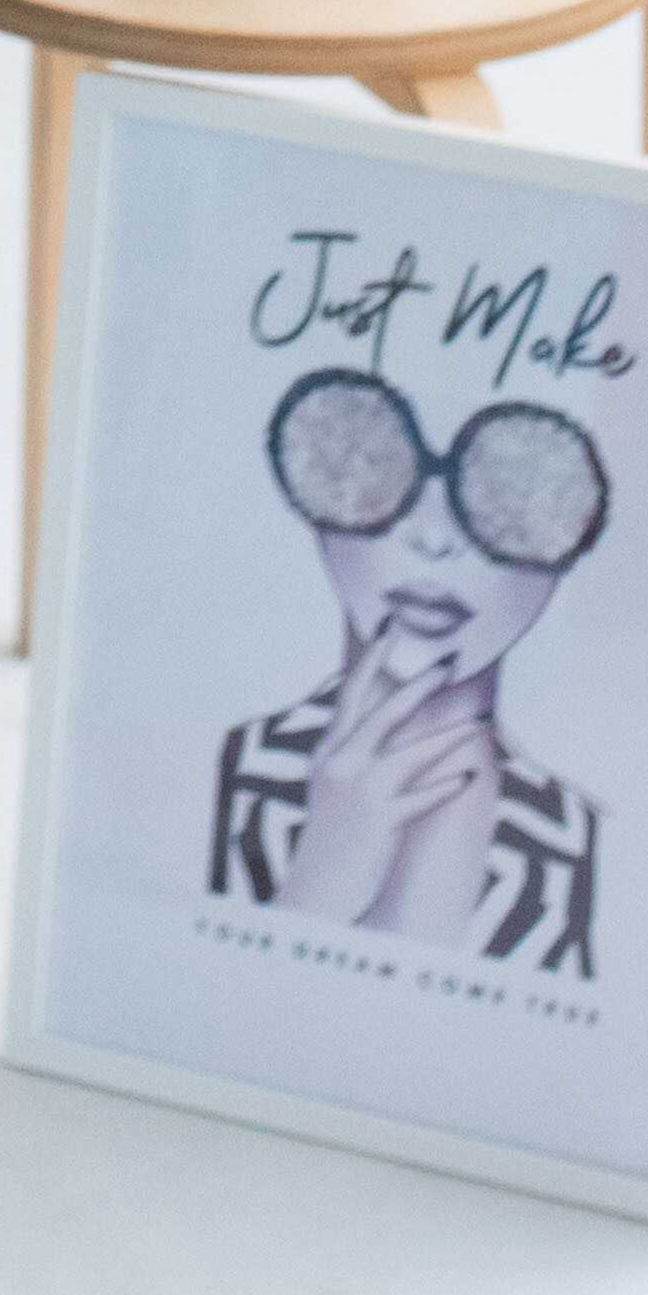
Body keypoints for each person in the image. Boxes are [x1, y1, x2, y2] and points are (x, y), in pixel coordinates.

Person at [212, 365, 607, 974]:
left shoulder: (587, 842)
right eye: (369, 468)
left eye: (512, 494)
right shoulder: (220, 770)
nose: (434, 539)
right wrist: (316, 889)